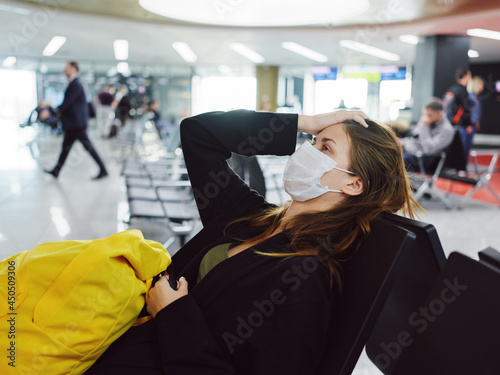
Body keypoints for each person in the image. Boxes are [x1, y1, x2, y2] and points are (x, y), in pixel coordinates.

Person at [87, 109, 419, 374]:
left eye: (325, 148)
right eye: (312, 141)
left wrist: (174, 316)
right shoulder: (246, 212)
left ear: (353, 185)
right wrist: (304, 122)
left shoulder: (304, 277)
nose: (308, 150)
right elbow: (197, 133)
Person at [43, 61, 108, 180]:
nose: (64, 71)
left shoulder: (76, 84)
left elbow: (67, 103)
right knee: (66, 148)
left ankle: (103, 169)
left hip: (76, 124)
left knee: (86, 147)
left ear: (73, 69)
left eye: (66, 68)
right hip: (74, 123)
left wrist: (50, 111)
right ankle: (57, 170)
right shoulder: (76, 84)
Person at [400, 97, 454, 172]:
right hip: (411, 151)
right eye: (424, 114)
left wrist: (425, 126)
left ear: (439, 112)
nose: (425, 117)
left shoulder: (446, 130)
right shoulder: (431, 121)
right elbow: (415, 136)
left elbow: (429, 149)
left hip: (422, 159)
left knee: (391, 159)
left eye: (429, 115)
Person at [443, 68, 472, 156]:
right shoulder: (462, 91)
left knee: (451, 148)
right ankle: (462, 168)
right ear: (465, 76)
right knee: (462, 149)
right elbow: (466, 108)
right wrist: (468, 124)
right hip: (460, 125)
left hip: (448, 124)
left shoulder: (451, 89)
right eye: (469, 76)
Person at [466, 75, 485, 158]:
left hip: (473, 124)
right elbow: (468, 112)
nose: (482, 87)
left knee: (468, 145)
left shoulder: (475, 97)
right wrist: (469, 124)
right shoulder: (470, 97)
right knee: (466, 145)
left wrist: (476, 122)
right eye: (481, 85)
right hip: (469, 125)